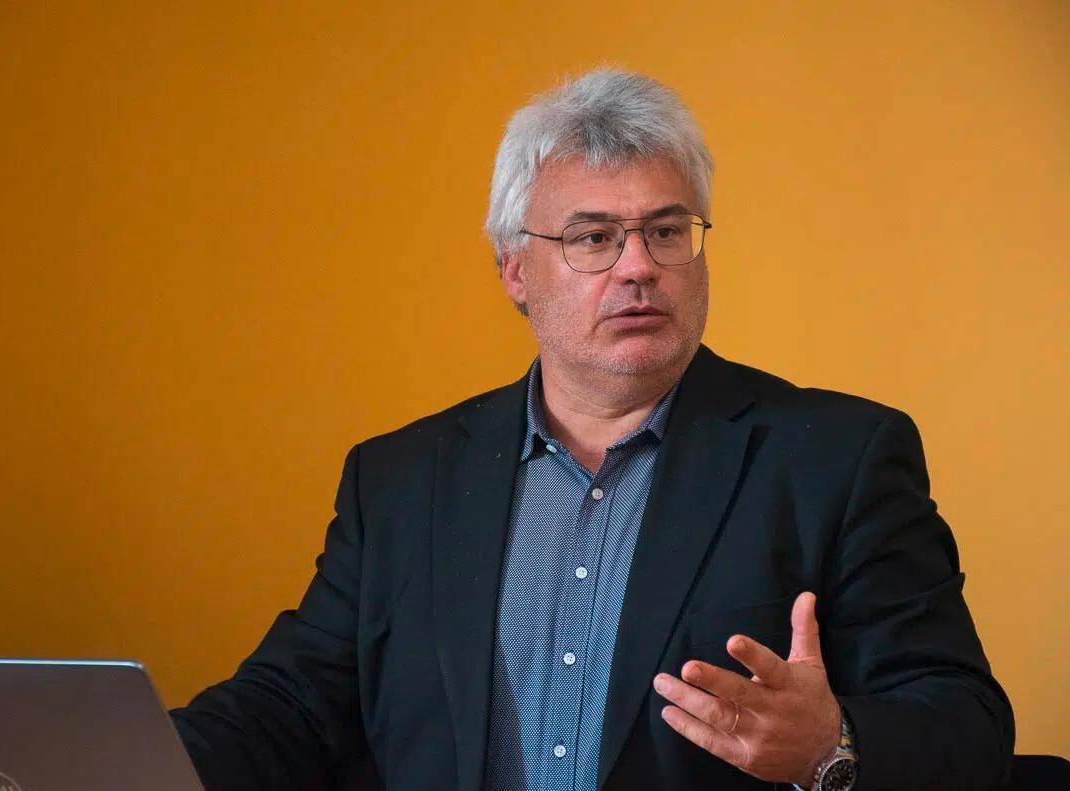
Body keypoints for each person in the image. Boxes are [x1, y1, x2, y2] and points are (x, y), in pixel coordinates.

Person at [170, 69, 1014, 791]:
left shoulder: (835, 459)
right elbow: (291, 707)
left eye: (665, 231)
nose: (637, 265)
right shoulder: (400, 480)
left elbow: (966, 722)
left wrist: (831, 746)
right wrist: (118, 751)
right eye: (593, 237)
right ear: (514, 270)